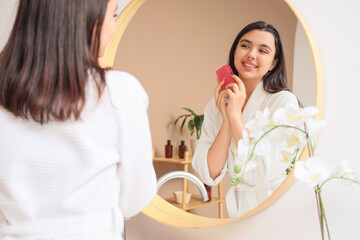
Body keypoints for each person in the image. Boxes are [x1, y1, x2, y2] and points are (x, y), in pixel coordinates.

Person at [0, 0, 157, 239]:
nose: (113, 28)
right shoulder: (119, 93)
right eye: (112, 16)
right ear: (88, 20)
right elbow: (136, 198)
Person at [192, 21, 300, 218]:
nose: (251, 54)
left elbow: (262, 172)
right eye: (245, 45)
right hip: (238, 211)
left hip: (273, 209)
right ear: (235, 53)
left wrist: (235, 116)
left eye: (263, 50)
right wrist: (226, 118)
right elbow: (210, 172)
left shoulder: (283, 101)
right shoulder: (215, 106)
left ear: (273, 63)